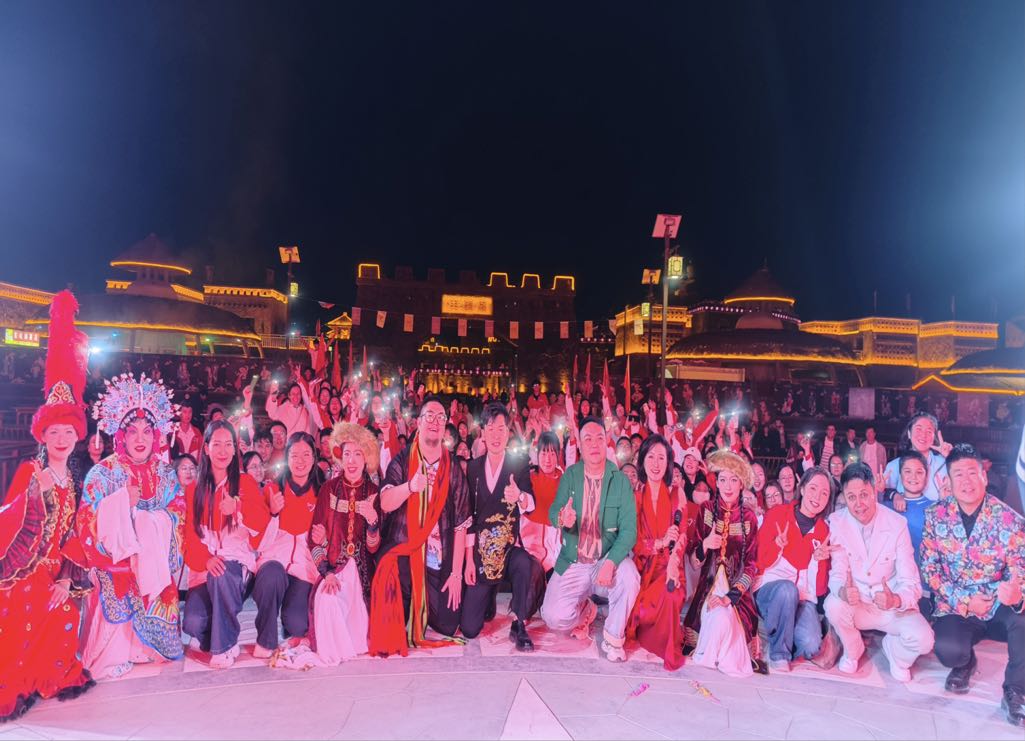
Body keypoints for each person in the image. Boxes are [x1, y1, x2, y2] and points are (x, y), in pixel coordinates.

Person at [0, 290, 94, 721]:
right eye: (53, 432)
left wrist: (66, 579)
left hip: (55, 573)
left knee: (65, 612)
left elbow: (74, 534)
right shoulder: (30, 472)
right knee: (21, 614)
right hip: (24, 572)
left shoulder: (72, 481)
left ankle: (46, 674)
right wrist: (33, 497)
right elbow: (10, 525)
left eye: (67, 433)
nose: (61, 438)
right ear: (43, 436)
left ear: (76, 438)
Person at [77, 372, 187, 679]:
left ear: (156, 436)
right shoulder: (103, 472)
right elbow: (86, 519)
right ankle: (115, 653)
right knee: (117, 581)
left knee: (156, 579)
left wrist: (151, 524)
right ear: (121, 436)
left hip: (153, 559)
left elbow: (178, 513)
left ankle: (148, 648)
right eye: (133, 432)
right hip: (115, 559)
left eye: (147, 432)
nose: (140, 439)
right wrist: (121, 503)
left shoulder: (165, 473)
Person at [921, 444, 1025, 727]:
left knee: (1023, 618)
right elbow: (930, 570)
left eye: (972, 473)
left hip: (997, 604)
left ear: (984, 476)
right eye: (958, 475)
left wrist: (1016, 595)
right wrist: (965, 602)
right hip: (958, 606)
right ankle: (965, 662)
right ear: (949, 480)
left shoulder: (1010, 520)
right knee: (948, 650)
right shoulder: (935, 516)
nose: (966, 481)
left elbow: (1020, 570)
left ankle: (1016, 691)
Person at [370, 396, 471, 656]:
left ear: (445, 425)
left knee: (448, 624)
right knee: (396, 614)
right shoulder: (403, 460)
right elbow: (385, 503)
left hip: (438, 557)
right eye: (429, 416)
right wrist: (410, 487)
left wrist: (456, 574)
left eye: (440, 417)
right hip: (405, 550)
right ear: (418, 422)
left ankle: (422, 596)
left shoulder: (453, 468)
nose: (435, 422)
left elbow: (461, 525)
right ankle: (409, 599)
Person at [280, 423, 382, 667]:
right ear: (340, 457)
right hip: (334, 569)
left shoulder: (373, 492)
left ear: (366, 458)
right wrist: (326, 572)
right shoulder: (328, 489)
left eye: (358, 454)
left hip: (363, 575)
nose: (352, 460)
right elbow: (313, 540)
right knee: (326, 601)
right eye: (347, 454)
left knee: (363, 634)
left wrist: (372, 524)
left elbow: (374, 548)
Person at [540, 416, 640, 662]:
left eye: (599, 438)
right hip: (573, 560)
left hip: (605, 559)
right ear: (581, 446)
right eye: (587, 439)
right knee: (552, 616)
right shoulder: (571, 475)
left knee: (629, 576)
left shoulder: (619, 481)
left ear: (606, 442)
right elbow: (554, 511)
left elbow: (629, 531)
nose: (594, 444)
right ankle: (587, 609)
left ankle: (613, 637)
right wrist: (563, 517)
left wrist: (611, 561)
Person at [824, 463, 934, 682]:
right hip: (858, 604)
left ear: (874, 490)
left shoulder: (897, 523)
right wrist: (843, 592)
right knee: (832, 606)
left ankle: (896, 653)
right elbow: (837, 573)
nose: (858, 504)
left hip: (891, 607)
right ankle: (853, 650)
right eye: (851, 497)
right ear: (844, 497)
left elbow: (911, 581)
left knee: (924, 640)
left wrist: (896, 599)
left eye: (864, 495)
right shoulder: (837, 522)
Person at [181, 421, 269, 668]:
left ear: (235, 449)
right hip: (206, 567)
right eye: (217, 444)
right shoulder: (193, 489)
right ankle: (221, 630)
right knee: (193, 622)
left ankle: (224, 646)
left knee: (220, 576)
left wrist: (238, 507)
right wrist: (206, 560)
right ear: (206, 448)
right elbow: (189, 535)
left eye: (228, 445)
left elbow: (262, 524)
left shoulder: (245, 483)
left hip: (236, 566)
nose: (223, 451)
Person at [461, 403, 545, 650]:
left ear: (508, 433)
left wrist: (519, 496)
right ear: (483, 433)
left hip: (507, 550)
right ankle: (488, 594)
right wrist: (469, 560)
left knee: (525, 563)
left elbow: (530, 504)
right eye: (490, 429)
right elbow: (468, 518)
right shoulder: (473, 468)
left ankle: (519, 622)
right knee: (469, 628)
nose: (496, 435)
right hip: (481, 554)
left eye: (501, 429)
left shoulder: (518, 464)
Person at [684, 450, 761, 677]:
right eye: (723, 479)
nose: (728, 486)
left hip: (736, 594)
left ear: (741, 485)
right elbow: (693, 561)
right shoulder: (706, 510)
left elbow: (751, 565)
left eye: (734, 480)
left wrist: (730, 597)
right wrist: (705, 545)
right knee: (715, 619)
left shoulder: (749, 518)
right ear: (716, 482)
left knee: (726, 621)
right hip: (707, 589)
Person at [252, 432, 323, 658]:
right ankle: (265, 641)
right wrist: (273, 514)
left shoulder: (322, 492)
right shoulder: (272, 489)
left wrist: (323, 538)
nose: (300, 461)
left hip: (304, 568)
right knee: (271, 576)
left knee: (297, 624)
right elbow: (258, 541)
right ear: (287, 457)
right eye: (294, 455)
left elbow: (330, 536)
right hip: (274, 562)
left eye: (306, 455)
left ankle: (288, 620)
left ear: (314, 457)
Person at [754, 467, 832, 672]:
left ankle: (777, 630)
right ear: (802, 488)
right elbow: (758, 561)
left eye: (824, 493)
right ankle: (779, 653)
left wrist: (820, 561)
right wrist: (777, 546)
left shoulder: (823, 530)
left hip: (802, 599)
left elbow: (820, 589)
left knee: (811, 644)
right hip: (771, 591)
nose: (817, 497)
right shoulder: (777, 514)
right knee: (787, 590)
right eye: (813, 488)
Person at [626, 435, 686, 671]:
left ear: (668, 463)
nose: (656, 463)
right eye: (651, 457)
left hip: (671, 566)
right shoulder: (635, 497)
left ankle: (666, 645)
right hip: (644, 569)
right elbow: (634, 543)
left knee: (671, 595)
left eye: (661, 458)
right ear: (642, 461)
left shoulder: (676, 493)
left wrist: (673, 563)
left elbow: (682, 536)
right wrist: (659, 543)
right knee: (642, 613)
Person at [882, 450, 932, 614]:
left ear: (926, 476)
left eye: (919, 472)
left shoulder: (935, 508)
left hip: (924, 587)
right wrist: (879, 493)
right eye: (907, 471)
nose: (913, 477)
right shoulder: (887, 507)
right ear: (900, 475)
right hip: (891, 585)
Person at [882, 412, 951, 505]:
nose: (923, 435)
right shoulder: (894, 466)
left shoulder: (944, 463)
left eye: (929, 431)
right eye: (919, 429)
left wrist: (951, 458)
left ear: (934, 438)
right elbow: (884, 494)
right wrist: (895, 495)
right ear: (909, 433)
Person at [522, 431, 563, 574]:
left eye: (552, 454)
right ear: (537, 454)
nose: (548, 459)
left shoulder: (564, 481)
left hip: (556, 553)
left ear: (558, 455)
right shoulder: (528, 479)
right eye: (544, 453)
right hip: (529, 549)